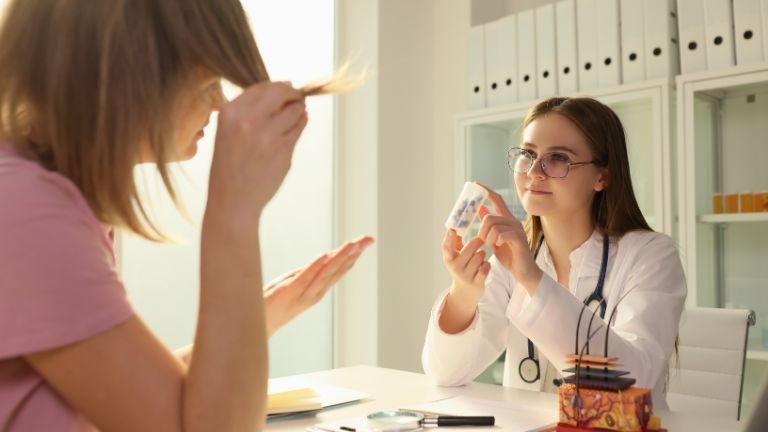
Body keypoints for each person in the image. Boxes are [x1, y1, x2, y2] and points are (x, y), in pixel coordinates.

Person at [0, 0, 372, 431]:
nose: (218, 105)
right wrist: (234, 212)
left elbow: (145, 399)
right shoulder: (26, 210)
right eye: (208, 79)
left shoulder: (35, 198)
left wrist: (263, 314)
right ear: (129, 73)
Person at [422, 97, 686, 409]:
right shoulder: (515, 257)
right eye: (527, 154)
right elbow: (445, 373)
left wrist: (531, 278)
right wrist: (463, 293)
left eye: (558, 158)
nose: (535, 171)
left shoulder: (650, 255)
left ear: (602, 177)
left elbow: (631, 382)